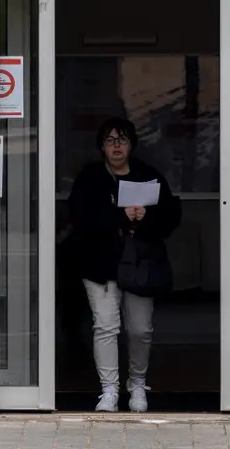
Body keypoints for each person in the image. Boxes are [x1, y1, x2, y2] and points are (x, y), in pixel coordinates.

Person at [67, 117, 181, 412]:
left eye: (122, 139)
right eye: (110, 140)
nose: (116, 146)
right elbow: (79, 218)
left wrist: (147, 217)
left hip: (140, 264)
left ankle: (138, 384)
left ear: (131, 144)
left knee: (140, 329)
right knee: (106, 326)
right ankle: (109, 390)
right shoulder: (90, 178)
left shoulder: (147, 175)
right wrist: (120, 217)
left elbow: (170, 216)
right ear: (101, 146)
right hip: (99, 266)